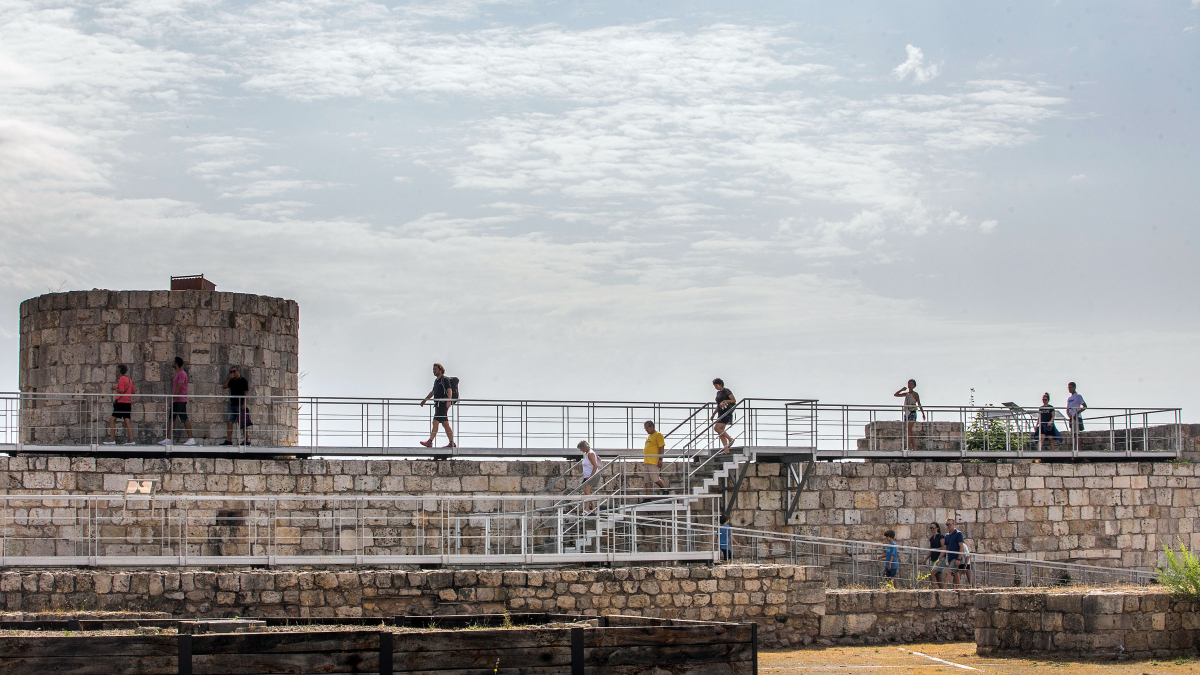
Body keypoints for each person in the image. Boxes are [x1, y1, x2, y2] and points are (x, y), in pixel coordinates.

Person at [160, 357, 195, 446]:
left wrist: (173, 399)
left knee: (184, 418)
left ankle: (191, 438)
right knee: (171, 418)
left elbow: (179, 387)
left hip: (180, 400)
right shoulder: (178, 374)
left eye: (173, 361)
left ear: (176, 364)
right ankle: (168, 439)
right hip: (176, 400)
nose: (172, 363)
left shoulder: (182, 374)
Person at [419, 363, 455, 448]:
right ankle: (451, 443)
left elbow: (449, 390)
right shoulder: (436, 381)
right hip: (438, 405)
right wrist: (425, 400)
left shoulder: (444, 379)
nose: (434, 371)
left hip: (442, 404)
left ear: (440, 370)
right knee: (445, 424)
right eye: (433, 369)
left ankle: (430, 441)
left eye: (435, 369)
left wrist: (448, 400)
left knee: (435, 422)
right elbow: (433, 392)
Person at [103, 365, 136, 445]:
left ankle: (112, 439)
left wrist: (115, 388)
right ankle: (131, 440)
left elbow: (121, 391)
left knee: (112, 419)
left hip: (121, 402)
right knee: (127, 421)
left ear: (119, 372)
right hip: (128, 403)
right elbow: (133, 391)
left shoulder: (121, 379)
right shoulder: (129, 380)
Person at [222, 366, 251, 446]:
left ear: (238, 371)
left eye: (234, 371)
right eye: (231, 372)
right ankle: (229, 440)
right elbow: (224, 387)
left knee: (243, 423)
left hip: (240, 404)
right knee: (230, 422)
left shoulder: (243, 380)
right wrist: (228, 378)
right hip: (233, 405)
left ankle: (246, 440)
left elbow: (246, 393)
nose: (232, 373)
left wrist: (244, 403)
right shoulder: (231, 381)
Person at [893, 380, 924, 451]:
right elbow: (896, 394)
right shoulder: (906, 394)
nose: (909, 385)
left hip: (912, 412)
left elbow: (919, 403)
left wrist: (922, 413)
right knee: (910, 431)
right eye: (909, 383)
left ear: (914, 386)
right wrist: (901, 389)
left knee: (909, 429)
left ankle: (909, 447)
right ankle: (914, 447)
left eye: (911, 384)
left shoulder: (915, 394)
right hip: (907, 413)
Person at [642, 420, 668, 495]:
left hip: (653, 461)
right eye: (645, 428)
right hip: (647, 461)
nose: (646, 430)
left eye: (647, 428)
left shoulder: (658, 435)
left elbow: (661, 447)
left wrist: (660, 459)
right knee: (646, 480)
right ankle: (647, 497)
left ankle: (665, 490)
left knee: (655, 478)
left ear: (652, 426)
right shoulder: (649, 436)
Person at [711, 378, 737, 451]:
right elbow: (718, 404)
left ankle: (730, 439)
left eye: (716, 386)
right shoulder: (718, 393)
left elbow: (733, 400)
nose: (715, 387)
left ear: (720, 384)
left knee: (717, 428)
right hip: (720, 412)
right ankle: (726, 450)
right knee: (721, 431)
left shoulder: (726, 391)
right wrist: (713, 414)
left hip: (726, 412)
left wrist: (725, 401)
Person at [578, 440, 601, 512]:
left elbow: (595, 466)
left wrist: (591, 476)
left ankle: (587, 509)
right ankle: (594, 508)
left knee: (587, 491)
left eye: (581, 448)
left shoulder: (590, 454)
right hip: (587, 476)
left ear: (584, 447)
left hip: (593, 475)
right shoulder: (586, 454)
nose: (581, 450)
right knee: (587, 492)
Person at [943, 518, 965, 587]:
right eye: (947, 524)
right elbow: (945, 548)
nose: (948, 526)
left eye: (950, 524)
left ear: (954, 524)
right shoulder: (947, 536)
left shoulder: (958, 534)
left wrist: (959, 559)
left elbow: (961, 547)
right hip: (950, 558)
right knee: (956, 575)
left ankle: (944, 588)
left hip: (956, 557)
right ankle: (960, 589)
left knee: (948, 572)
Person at [927, 522, 946, 588]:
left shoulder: (940, 537)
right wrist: (926, 558)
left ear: (937, 528)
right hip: (934, 558)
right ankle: (942, 590)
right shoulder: (931, 538)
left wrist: (936, 549)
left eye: (933, 528)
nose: (932, 529)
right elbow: (931, 550)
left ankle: (934, 589)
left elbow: (943, 547)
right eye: (931, 528)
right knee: (938, 577)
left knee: (932, 574)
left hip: (940, 559)